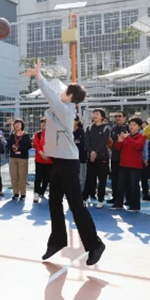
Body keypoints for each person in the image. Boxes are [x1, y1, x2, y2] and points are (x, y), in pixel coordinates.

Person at [25, 59, 105, 266]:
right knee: (54, 202)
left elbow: (50, 94)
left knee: (76, 205)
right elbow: (53, 97)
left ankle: (95, 245)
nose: (59, 91)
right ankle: (58, 241)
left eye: (63, 90)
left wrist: (39, 75)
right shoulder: (61, 108)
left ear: (69, 96)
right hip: (59, 162)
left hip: (68, 163)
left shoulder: (66, 109)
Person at [113, 117, 146, 211]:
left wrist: (127, 138)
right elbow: (118, 147)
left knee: (133, 186)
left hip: (135, 165)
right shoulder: (126, 136)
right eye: (130, 125)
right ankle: (118, 203)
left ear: (139, 127)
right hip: (124, 164)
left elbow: (138, 146)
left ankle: (134, 205)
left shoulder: (141, 136)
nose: (131, 127)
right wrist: (119, 141)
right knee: (121, 185)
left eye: (134, 125)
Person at [83, 109, 110, 208]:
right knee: (89, 178)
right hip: (91, 158)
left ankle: (100, 199)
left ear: (102, 117)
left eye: (97, 114)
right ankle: (84, 198)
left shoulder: (106, 128)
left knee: (102, 179)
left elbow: (104, 142)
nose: (95, 115)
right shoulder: (89, 128)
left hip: (102, 157)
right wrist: (91, 152)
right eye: (94, 114)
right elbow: (86, 142)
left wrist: (96, 152)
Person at [108, 110, 129, 206]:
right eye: (116, 116)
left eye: (119, 116)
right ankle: (115, 197)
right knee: (115, 178)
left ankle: (127, 198)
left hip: (125, 157)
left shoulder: (128, 128)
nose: (117, 118)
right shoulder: (113, 129)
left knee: (125, 179)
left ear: (125, 118)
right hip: (115, 157)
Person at [8, 118, 32, 200]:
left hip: (23, 158)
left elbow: (29, 146)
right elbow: (8, 145)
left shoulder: (26, 135)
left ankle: (23, 194)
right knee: (14, 176)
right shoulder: (12, 135)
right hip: (13, 158)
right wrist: (12, 146)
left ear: (22, 125)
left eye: (19, 124)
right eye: (16, 123)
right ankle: (15, 193)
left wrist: (19, 148)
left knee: (22, 176)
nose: (17, 125)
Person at [33, 117, 52, 203]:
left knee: (48, 178)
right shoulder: (37, 134)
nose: (44, 124)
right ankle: (36, 193)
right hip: (39, 160)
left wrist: (49, 154)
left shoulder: (52, 134)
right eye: (42, 122)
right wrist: (41, 153)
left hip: (50, 160)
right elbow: (36, 145)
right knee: (38, 177)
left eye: (46, 122)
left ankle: (44, 192)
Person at [140, 121, 150, 202]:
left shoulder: (146, 135)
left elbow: (146, 147)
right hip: (138, 158)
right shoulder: (134, 133)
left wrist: (146, 158)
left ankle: (146, 194)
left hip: (145, 158)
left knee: (144, 177)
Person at [74, 115, 87, 194]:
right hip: (70, 158)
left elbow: (83, 145)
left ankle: (80, 193)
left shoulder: (82, 132)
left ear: (77, 121)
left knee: (81, 177)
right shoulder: (67, 131)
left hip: (81, 157)